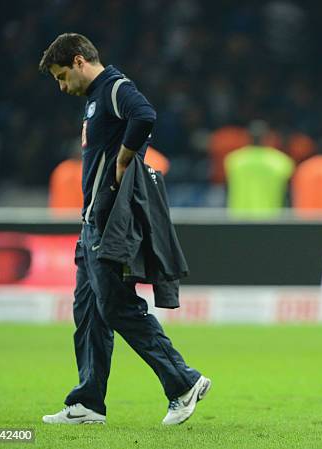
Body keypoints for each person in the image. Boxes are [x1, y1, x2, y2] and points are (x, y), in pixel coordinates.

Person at [38, 33, 210, 425]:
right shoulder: (95, 101)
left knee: (117, 306)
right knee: (88, 313)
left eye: (63, 76)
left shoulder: (114, 88)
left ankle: (183, 382)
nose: (62, 87)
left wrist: (122, 161)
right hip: (91, 223)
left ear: (80, 60)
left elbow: (145, 115)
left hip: (109, 221)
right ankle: (87, 402)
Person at [225, 120, 295, 218]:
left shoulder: (234, 160)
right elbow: (288, 196)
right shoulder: (281, 161)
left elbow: (227, 190)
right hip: (271, 219)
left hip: (239, 218)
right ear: (267, 138)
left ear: (247, 137)